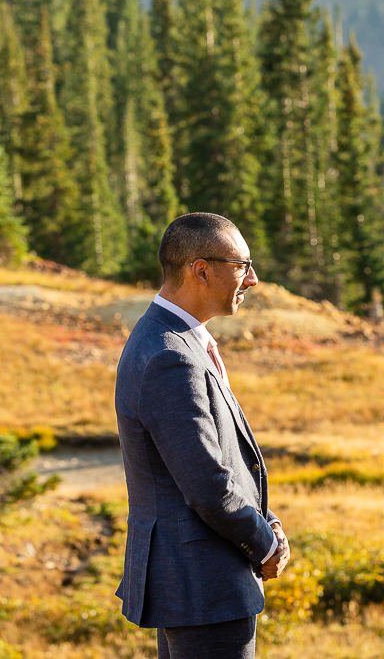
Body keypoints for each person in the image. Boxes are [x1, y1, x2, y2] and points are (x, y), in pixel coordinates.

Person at [115, 213, 290, 659]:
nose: (252, 279)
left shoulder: (174, 339)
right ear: (201, 270)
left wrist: (266, 521)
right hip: (202, 586)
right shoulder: (170, 356)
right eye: (242, 265)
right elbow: (207, 485)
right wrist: (265, 544)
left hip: (195, 584)